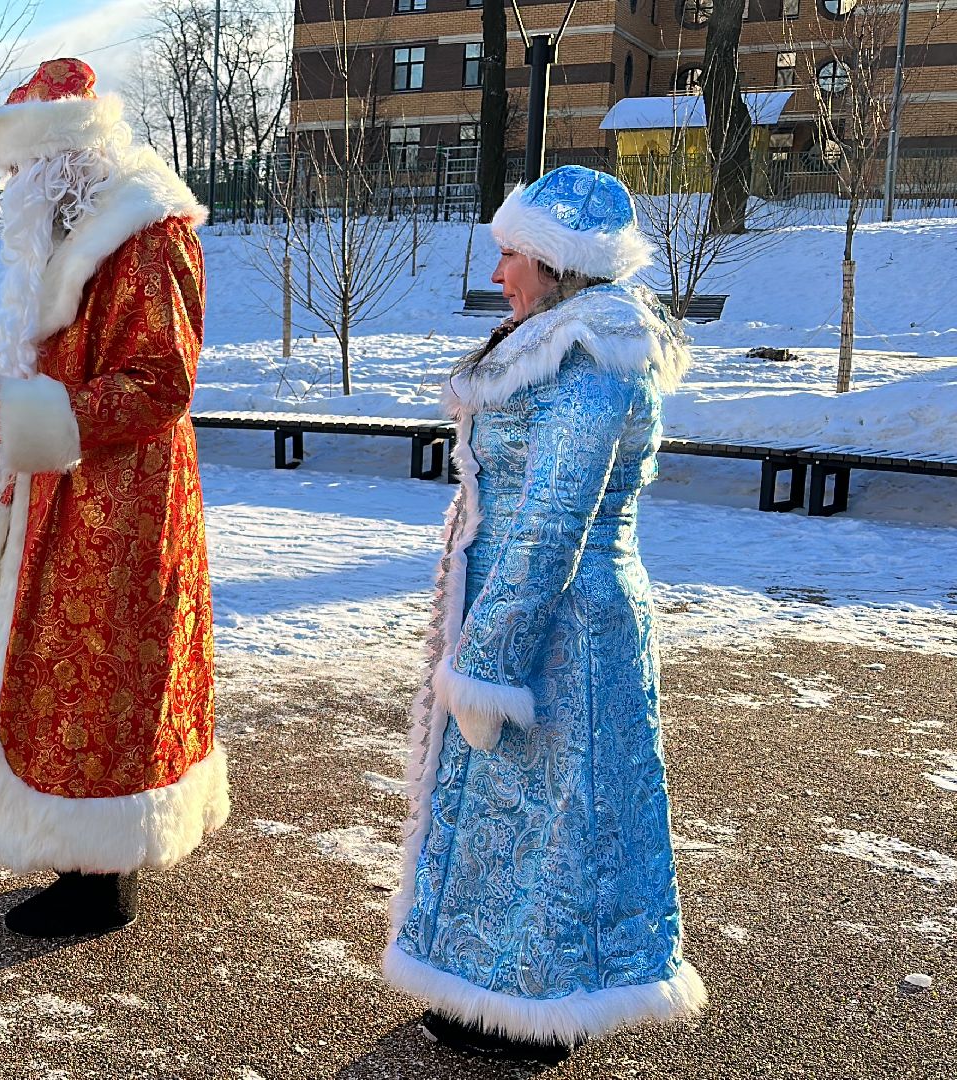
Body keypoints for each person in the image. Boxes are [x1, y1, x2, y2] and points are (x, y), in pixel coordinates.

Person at [383, 165, 707, 1063]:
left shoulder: (595, 362)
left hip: (567, 623)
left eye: (511, 255)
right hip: (522, 616)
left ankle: (545, 1003)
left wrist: (487, 662)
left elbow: (552, 523)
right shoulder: (552, 343)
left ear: (559, 263)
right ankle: (489, 985)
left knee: (563, 820)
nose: (499, 275)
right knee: (510, 812)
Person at [0, 57, 226, 939]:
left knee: (109, 678)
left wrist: (30, 411)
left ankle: (103, 874)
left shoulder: (147, 234)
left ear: (65, 160)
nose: (14, 188)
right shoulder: (83, 233)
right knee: (69, 677)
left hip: (126, 502)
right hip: (75, 493)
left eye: (22, 170)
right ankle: (84, 856)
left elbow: (160, 383)